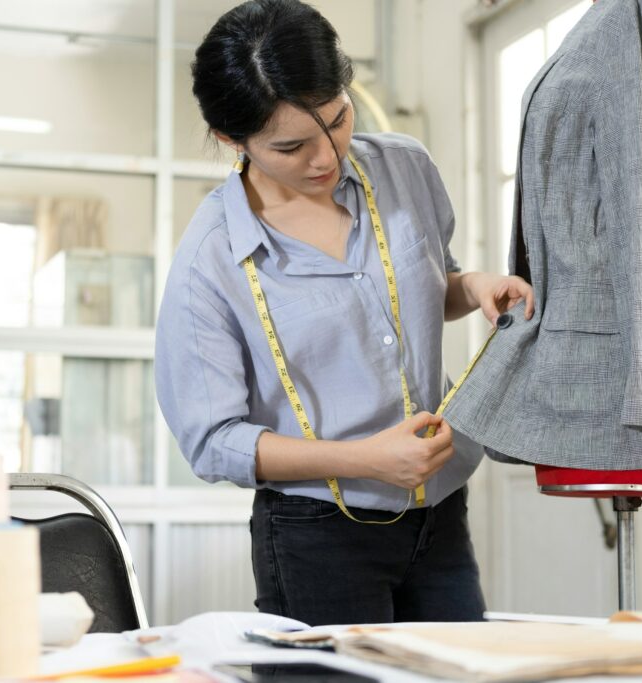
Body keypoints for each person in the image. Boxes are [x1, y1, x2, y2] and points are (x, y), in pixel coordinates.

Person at [155, 0, 533, 626]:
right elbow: (213, 441)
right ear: (232, 140)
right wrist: (365, 460)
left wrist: (475, 287)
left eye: (337, 119)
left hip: (439, 515)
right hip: (316, 535)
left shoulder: (405, 168)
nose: (327, 155)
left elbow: (414, 296)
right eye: (292, 145)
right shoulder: (211, 261)